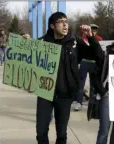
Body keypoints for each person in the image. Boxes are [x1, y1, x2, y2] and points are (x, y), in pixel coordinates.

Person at [23, 12, 104, 144]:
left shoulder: (74, 43)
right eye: (61, 21)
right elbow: (24, 58)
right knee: (41, 132)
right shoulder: (42, 42)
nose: (65, 24)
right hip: (45, 93)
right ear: (52, 26)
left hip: (65, 95)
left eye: (66, 21)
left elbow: (99, 56)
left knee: (61, 135)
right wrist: (24, 42)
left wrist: (91, 38)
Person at [74, 24, 103, 111]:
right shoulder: (83, 38)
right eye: (92, 29)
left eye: (95, 30)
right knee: (81, 84)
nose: (94, 31)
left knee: (93, 85)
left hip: (94, 64)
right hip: (84, 62)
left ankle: (92, 104)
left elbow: (100, 53)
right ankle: (78, 102)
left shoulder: (99, 39)